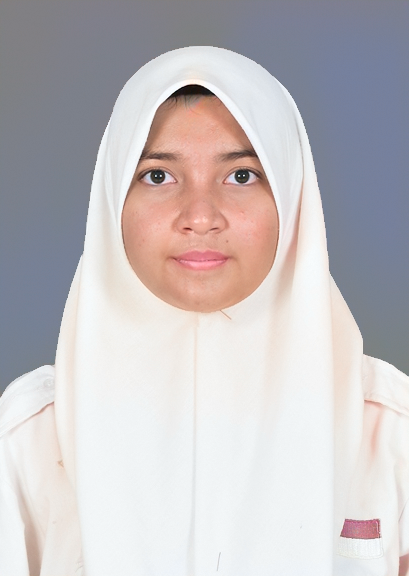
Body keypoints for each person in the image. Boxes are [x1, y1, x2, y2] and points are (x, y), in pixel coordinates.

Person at [0, 46, 408, 576]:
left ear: (293, 197)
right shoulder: (27, 441)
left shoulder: (391, 433)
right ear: (111, 199)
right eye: (157, 176)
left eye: (241, 175)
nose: (200, 216)